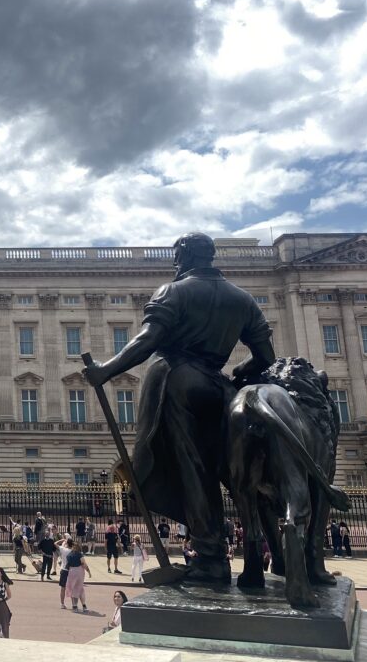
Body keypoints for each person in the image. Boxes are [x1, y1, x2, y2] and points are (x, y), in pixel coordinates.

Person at [84, 232, 275, 583]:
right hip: (220, 389)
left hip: (178, 382)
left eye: (177, 255)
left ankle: (210, 557)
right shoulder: (243, 299)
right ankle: (262, 553)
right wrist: (239, 372)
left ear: (184, 255)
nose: (174, 260)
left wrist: (105, 371)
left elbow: (149, 339)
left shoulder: (173, 291)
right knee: (236, 476)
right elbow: (266, 357)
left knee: (193, 470)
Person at [65, 541, 92, 613]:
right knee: (80, 589)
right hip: (79, 571)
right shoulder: (79, 554)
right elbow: (84, 564)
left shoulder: (69, 555)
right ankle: (84, 606)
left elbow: (67, 566)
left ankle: (74, 606)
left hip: (71, 572)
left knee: (72, 589)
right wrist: (89, 572)